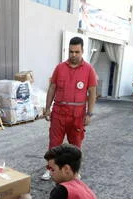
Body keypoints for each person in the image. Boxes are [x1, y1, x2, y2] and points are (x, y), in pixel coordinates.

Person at [43, 37, 97, 180]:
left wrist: (89, 114)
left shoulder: (88, 70)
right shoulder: (60, 68)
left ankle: (74, 172)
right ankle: (50, 170)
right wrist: (47, 108)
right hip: (59, 113)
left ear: (82, 51)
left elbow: (92, 92)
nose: (73, 55)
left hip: (77, 115)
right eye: (71, 51)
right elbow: (52, 88)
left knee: (76, 146)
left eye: (77, 52)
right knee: (54, 144)